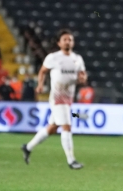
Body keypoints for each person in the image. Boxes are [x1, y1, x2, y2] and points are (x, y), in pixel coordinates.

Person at [21, 29, 87, 169]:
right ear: (59, 43)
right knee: (67, 126)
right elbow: (42, 71)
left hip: (69, 98)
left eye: (70, 39)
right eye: (65, 39)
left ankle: (28, 147)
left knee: (52, 128)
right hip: (57, 98)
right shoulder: (53, 57)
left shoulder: (77, 59)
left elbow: (82, 75)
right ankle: (71, 160)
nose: (68, 41)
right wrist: (40, 85)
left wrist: (83, 78)